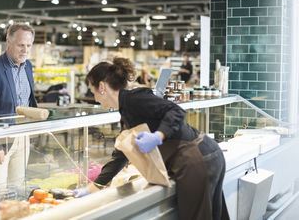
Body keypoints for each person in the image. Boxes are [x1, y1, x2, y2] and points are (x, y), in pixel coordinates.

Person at [75, 57, 229, 220]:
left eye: (93, 92)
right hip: (205, 156)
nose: (96, 98)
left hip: (199, 158)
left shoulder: (136, 99)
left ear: (102, 86)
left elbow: (176, 111)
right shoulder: (125, 110)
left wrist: (158, 136)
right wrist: (93, 187)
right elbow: (121, 155)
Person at [0, 23, 37, 189]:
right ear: (8, 42)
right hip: (0, 140)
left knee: (17, 188)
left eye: (29, 45)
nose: (25, 50)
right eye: (21, 45)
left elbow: (29, 102)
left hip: (22, 137)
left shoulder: (28, 67)